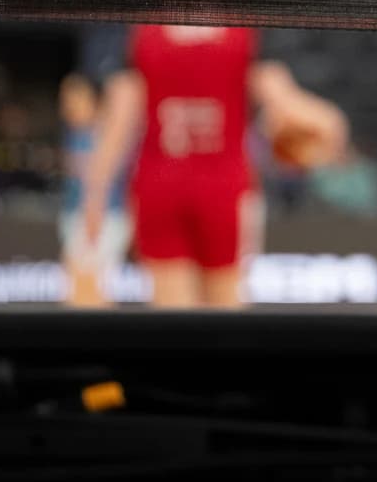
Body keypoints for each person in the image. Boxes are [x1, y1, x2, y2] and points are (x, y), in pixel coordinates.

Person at [79, 26, 346, 309]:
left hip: (160, 184)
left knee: (172, 314)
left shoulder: (143, 32)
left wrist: (94, 195)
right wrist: (332, 123)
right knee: (226, 312)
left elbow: (118, 126)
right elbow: (283, 101)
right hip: (224, 187)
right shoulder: (243, 32)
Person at [58, 69, 131, 307]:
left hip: (100, 217)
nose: (68, 105)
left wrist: (93, 210)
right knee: (76, 286)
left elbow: (103, 179)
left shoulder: (105, 133)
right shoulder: (75, 133)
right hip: (79, 214)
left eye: (74, 97)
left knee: (89, 287)